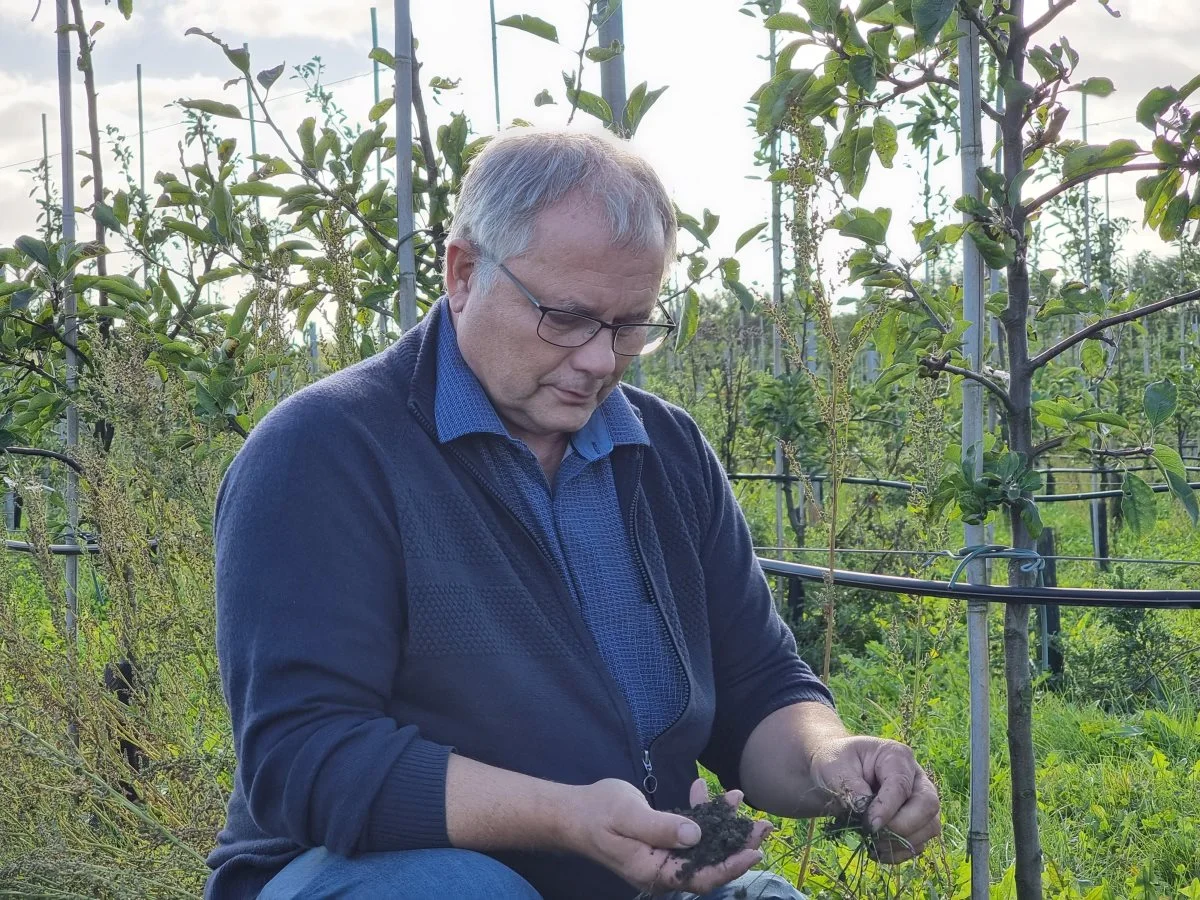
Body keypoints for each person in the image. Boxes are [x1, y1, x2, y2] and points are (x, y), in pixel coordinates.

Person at [204, 128, 940, 900]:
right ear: (463, 272)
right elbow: (307, 756)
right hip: (358, 877)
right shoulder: (327, 453)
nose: (598, 360)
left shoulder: (666, 452)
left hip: (630, 876)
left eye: (630, 326)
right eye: (567, 316)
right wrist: (565, 819)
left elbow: (756, 687)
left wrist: (832, 760)